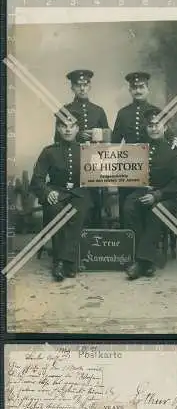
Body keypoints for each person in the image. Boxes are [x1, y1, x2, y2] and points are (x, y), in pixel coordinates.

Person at [123, 107, 177, 280]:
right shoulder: (142, 148)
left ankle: (141, 262)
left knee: (156, 211)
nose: (154, 128)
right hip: (144, 190)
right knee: (128, 206)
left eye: (158, 124)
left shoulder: (174, 150)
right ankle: (147, 261)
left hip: (168, 196)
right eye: (150, 125)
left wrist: (157, 195)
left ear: (165, 127)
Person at [30, 109, 91, 282]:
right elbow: (37, 179)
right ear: (58, 129)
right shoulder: (49, 151)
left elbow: (100, 174)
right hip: (57, 191)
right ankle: (64, 262)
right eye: (63, 126)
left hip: (80, 193)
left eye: (72, 126)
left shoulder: (86, 151)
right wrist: (47, 192)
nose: (67, 130)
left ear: (78, 129)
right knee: (55, 210)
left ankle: (63, 262)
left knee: (78, 212)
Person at [112, 71, 177, 226]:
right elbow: (115, 142)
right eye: (134, 88)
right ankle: (127, 240)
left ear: (148, 89)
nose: (138, 91)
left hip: (152, 167)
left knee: (145, 209)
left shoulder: (156, 112)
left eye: (141, 87)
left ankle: (146, 240)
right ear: (130, 90)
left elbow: (169, 136)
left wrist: (174, 142)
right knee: (126, 207)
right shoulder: (123, 113)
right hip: (129, 166)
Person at [54, 69, 110, 227]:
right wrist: (78, 136)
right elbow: (57, 139)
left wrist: (95, 135)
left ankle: (95, 239)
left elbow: (108, 137)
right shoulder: (65, 111)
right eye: (78, 85)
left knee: (96, 202)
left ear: (90, 86)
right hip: (73, 164)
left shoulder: (98, 111)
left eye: (85, 85)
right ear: (72, 88)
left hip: (95, 163)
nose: (82, 88)